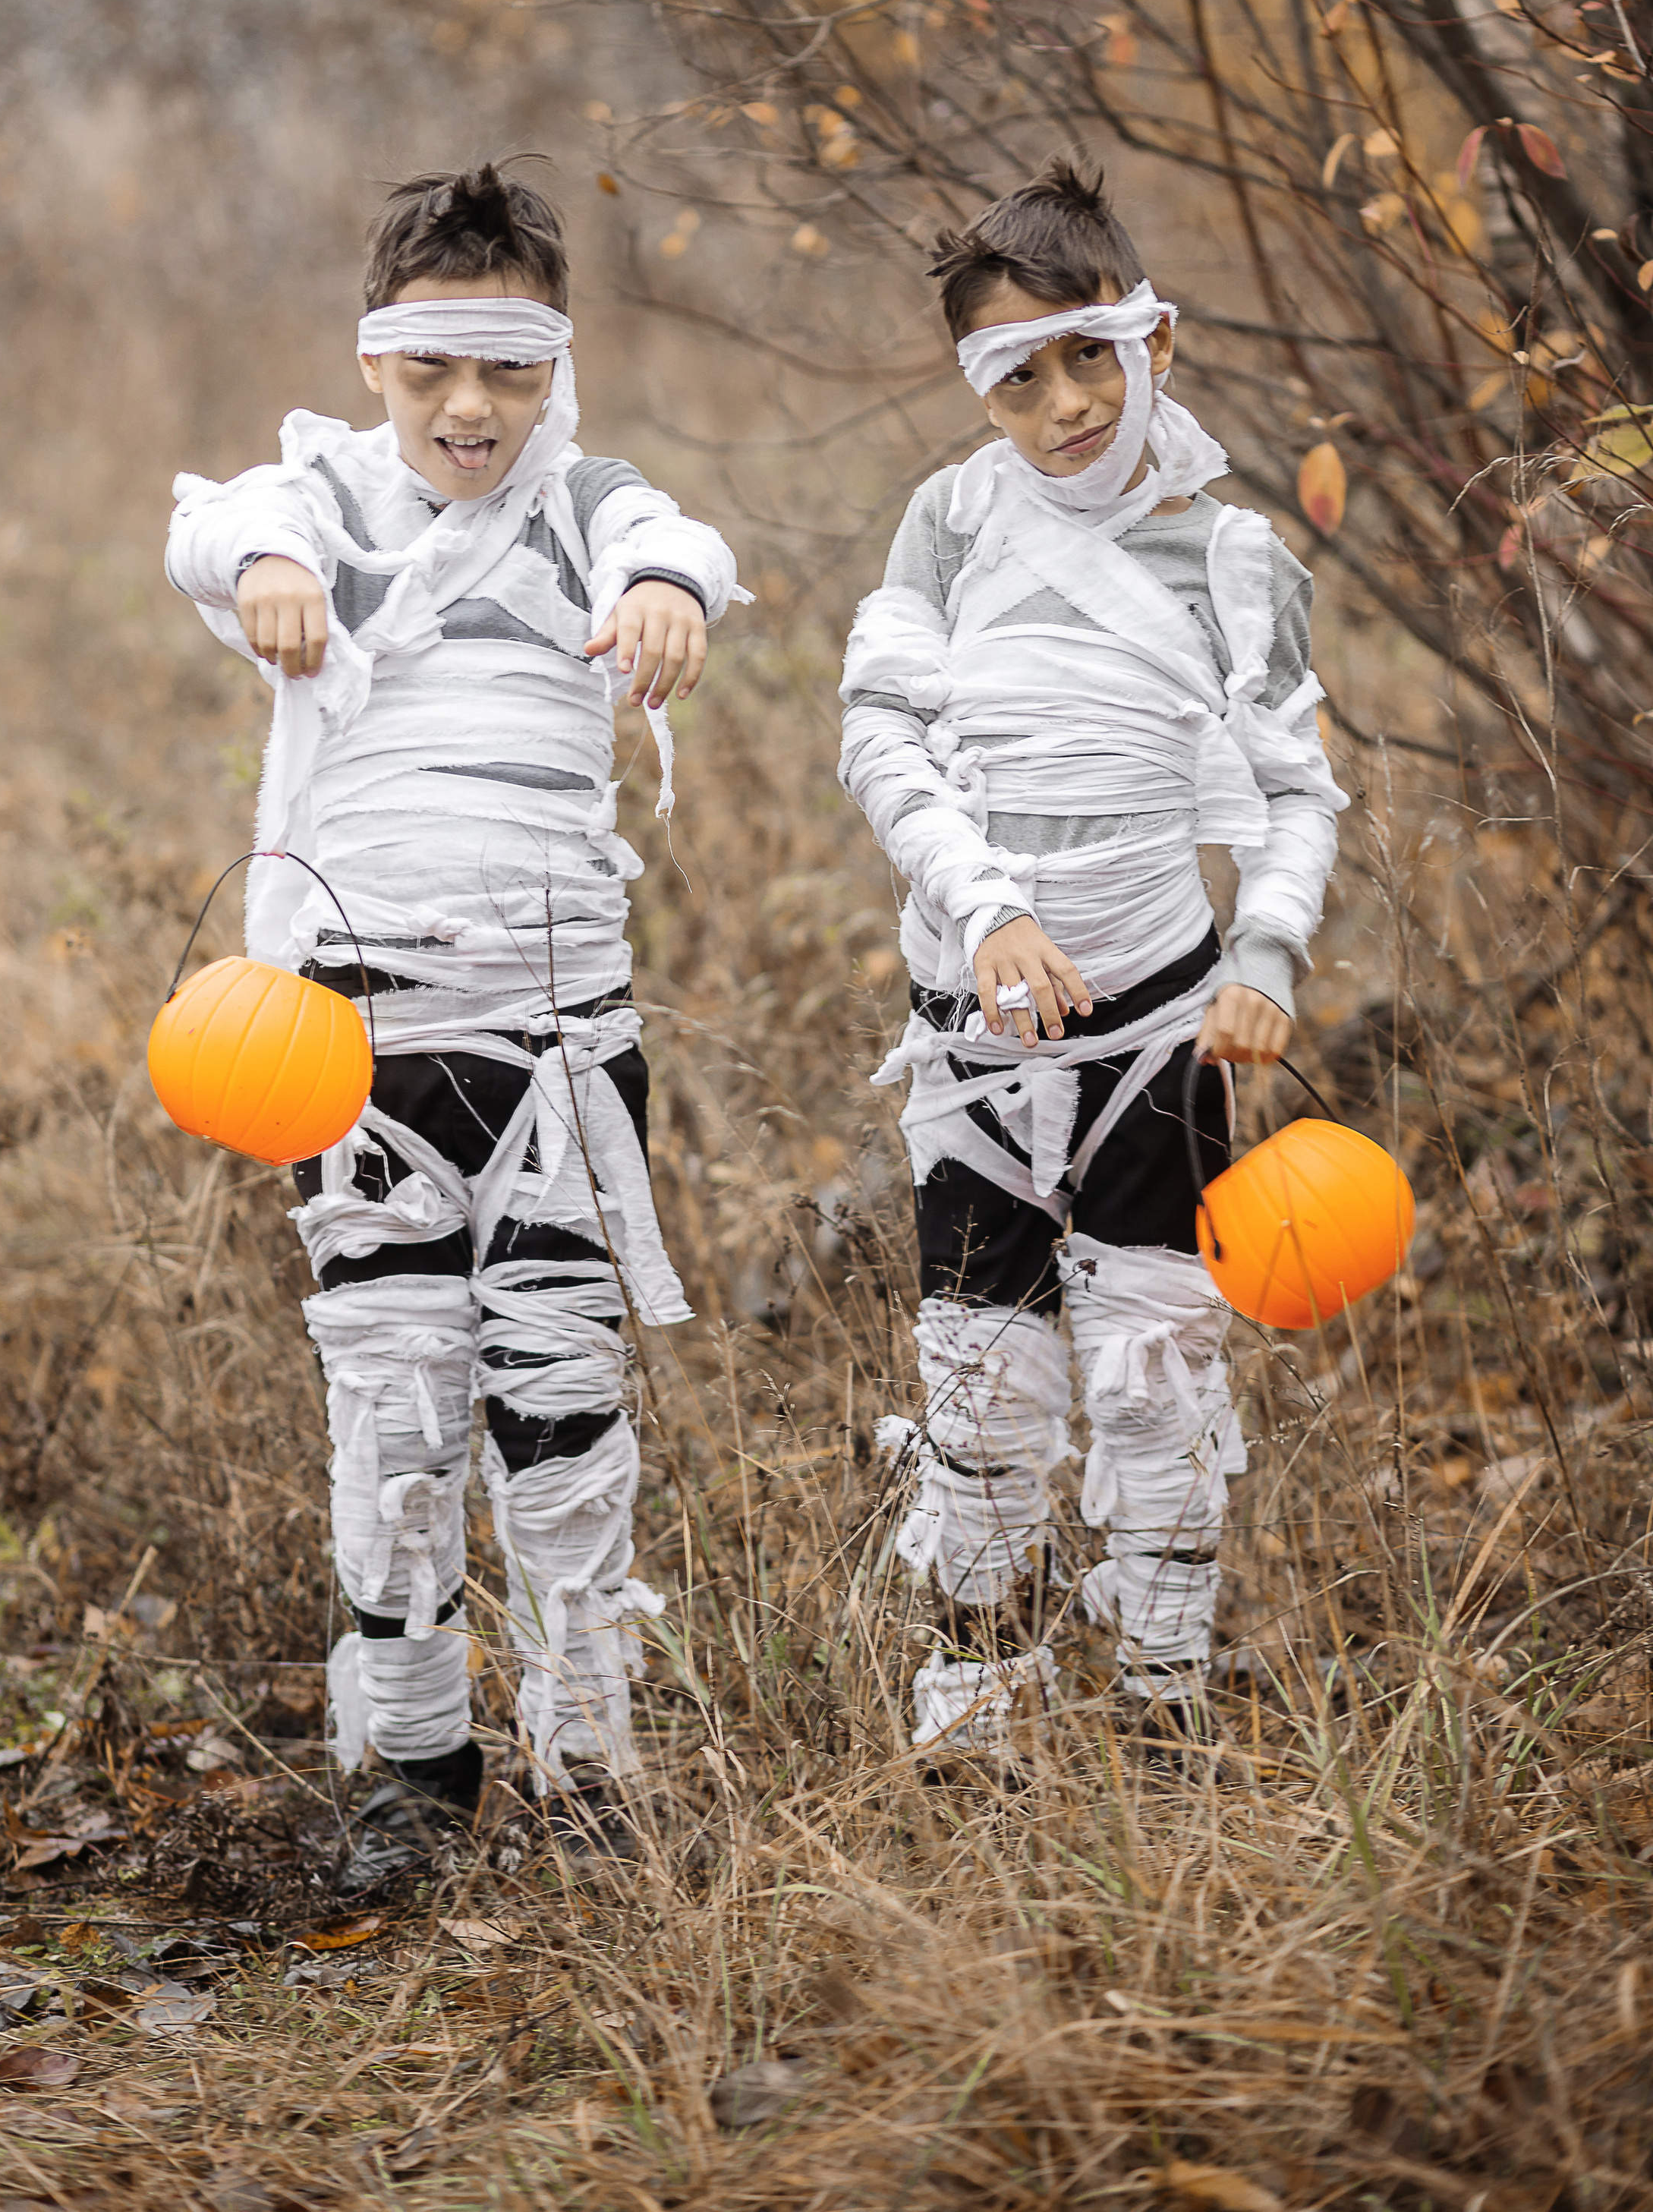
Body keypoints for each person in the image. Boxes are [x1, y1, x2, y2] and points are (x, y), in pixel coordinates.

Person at [165, 163, 740, 1858]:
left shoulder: (586, 505)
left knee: (561, 1417)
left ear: (556, 368)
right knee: (396, 1410)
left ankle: (586, 1768)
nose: (469, 408)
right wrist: (269, 554)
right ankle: (412, 1767)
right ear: (374, 364)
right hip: (355, 1044)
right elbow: (201, 520)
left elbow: (674, 535)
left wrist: (668, 597)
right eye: (430, 371)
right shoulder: (319, 503)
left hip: (558, 1038)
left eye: (509, 370)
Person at [839, 157, 1346, 1760]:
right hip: (971, 1036)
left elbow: (1291, 789)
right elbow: (879, 734)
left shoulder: (1240, 560)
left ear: (1154, 344)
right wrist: (984, 905)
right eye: (1015, 376)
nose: (1061, 402)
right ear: (977, 394)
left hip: (1162, 1031)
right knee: (980, 1387)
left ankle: (1160, 1702)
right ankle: (973, 1712)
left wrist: (1266, 945)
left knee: (1153, 1370)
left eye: (1086, 356)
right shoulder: (942, 527)